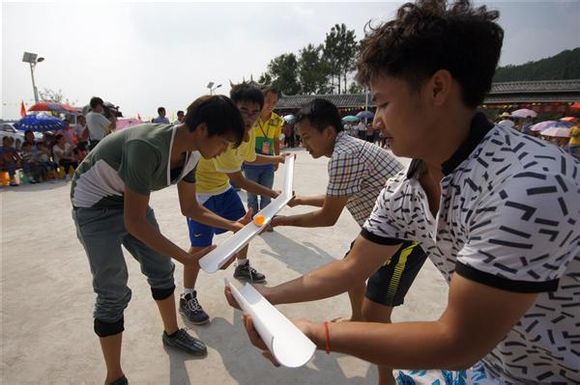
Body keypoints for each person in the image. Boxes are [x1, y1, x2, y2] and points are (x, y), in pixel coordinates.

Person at [228, 1, 580, 384]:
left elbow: (457, 342)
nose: (375, 120)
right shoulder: (408, 186)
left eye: (383, 103)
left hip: (551, 374)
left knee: (377, 310)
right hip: (494, 366)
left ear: (437, 89)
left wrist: (318, 334)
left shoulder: (531, 185)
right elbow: (351, 267)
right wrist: (268, 297)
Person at [71, 95, 248, 385]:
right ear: (202, 129)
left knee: (161, 268)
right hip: (93, 205)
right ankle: (114, 376)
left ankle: (172, 333)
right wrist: (187, 257)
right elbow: (135, 221)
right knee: (112, 288)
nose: (223, 151)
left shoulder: (192, 153)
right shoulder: (147, 147)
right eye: (223, 143)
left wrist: (233, 225)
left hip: (125, 200)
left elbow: (190, 207)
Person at [270, 98, 426, 385]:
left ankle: (386, 379)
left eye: (306, 137)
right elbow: (343, 195)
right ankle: (357, 317)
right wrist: (302, 200)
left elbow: (329, 215)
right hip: (379, 228)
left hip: (405, 238)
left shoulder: (344, 156)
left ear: (328, 132)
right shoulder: (347, 148)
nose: (303, 144)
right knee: (353, 268)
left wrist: (281, 221)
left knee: (377, 314)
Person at [180, 83, 286, 325]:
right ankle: (187, 295)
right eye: (243, 110)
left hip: (223, 190)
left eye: (254, 112)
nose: (249, 117)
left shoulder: (248, 134)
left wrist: (277, 157)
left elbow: (250, 157)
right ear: (231, 108)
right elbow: (239, 180)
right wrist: (273, 193)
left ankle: (242, 265)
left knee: (246, 228)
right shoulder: (227, 135)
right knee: (200, 247)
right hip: (201, 195)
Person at [242, 86, 284, 230]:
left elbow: (275, 140)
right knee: (252, 195)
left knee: (266, 194)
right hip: (251, 161)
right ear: (261, 100)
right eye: (268, 101)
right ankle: (254, 223)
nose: (271, 104)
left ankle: (264, 222)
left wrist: (277, 158)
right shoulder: (252, 117)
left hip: (268, 161)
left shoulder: (277, 120)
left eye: (274, 102)